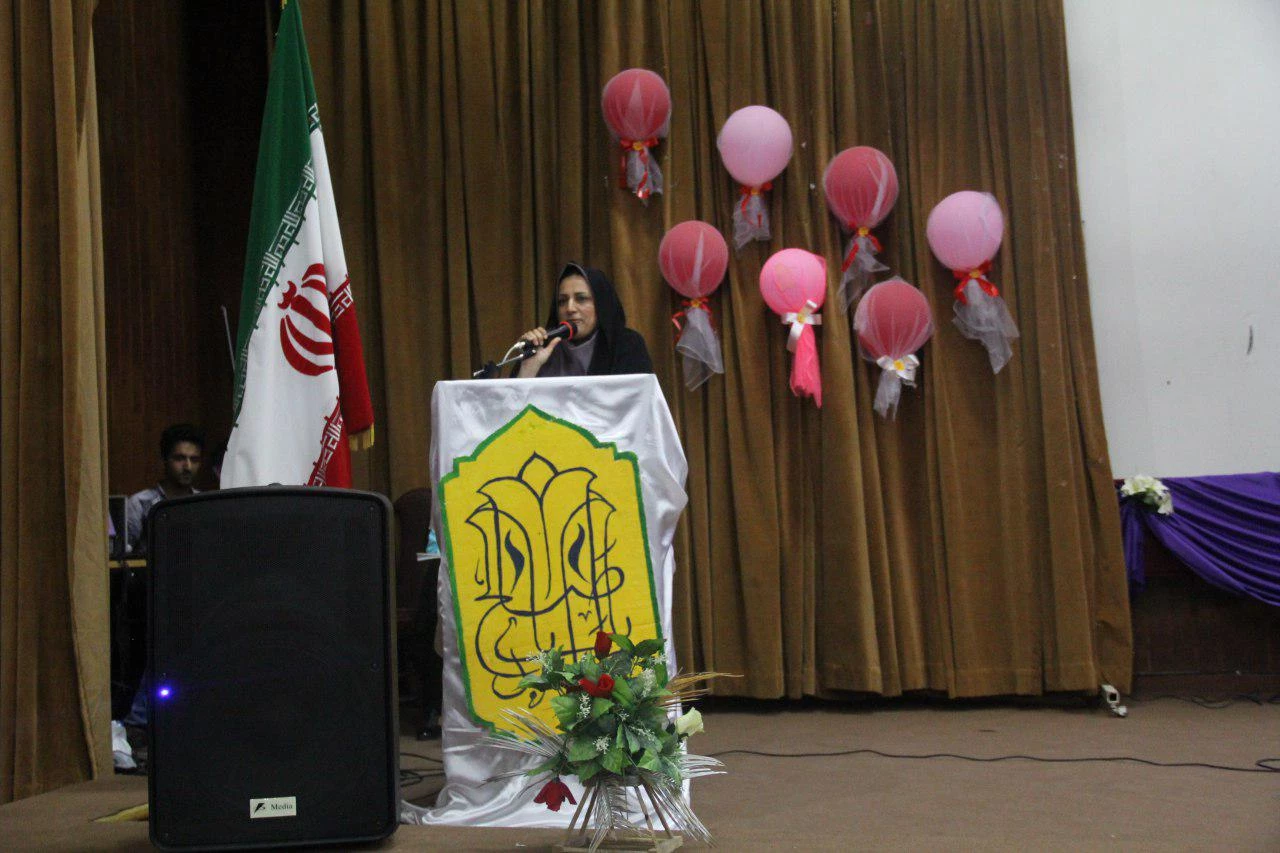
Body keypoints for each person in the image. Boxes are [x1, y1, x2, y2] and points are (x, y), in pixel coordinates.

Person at [516, 263, 653, 377]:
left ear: (601, 305)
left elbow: (635, 398)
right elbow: (514, 402)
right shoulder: (542, 347)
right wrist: (529, 368)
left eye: (581, 299)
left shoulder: (626, 344)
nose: (570, 309)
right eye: (562, 301)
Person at [124, 423, 205, 554]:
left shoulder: (204, 503)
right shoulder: (139, 503)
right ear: (164, 460)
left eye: (194, 459)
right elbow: (123, 553)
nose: (188, 467)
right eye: (180, 458)